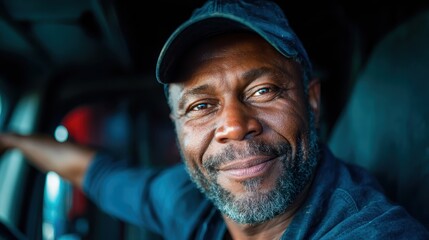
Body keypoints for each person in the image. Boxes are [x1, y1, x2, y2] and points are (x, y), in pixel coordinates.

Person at [1, 0, 428, 239]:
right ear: (176, 125)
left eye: (263, 91)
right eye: (201, 106)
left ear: (311, 102)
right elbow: (93, 172)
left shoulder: (369, 231)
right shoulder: (189, 203)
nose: (235, 125)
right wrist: (13, 141)